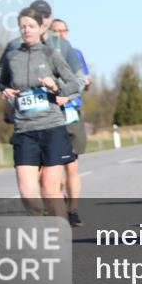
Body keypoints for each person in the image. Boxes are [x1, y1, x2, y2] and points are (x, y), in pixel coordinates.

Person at [0, 7, 81, 218]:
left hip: (52, 128)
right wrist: (5, 90)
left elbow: (73, 84)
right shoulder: (12, 57)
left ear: (40, 28)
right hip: (24, 130)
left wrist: (55, 88)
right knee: (27, 191)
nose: (26, 30)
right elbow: (2, 81)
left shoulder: (50, 54)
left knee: (49, 190)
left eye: (31, 26)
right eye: (22, 26)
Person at [50, 18, 91, 227]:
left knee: (71, 167)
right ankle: (60, 204)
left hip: (72, 112)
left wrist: (84, 83)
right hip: (50, 116)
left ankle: (73, 209)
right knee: (51, 168)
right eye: (54, 31)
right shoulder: (42, 55)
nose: (59, 35)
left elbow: (84, 79)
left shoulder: (75, 54)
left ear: (67, 32)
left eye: (62, 31)